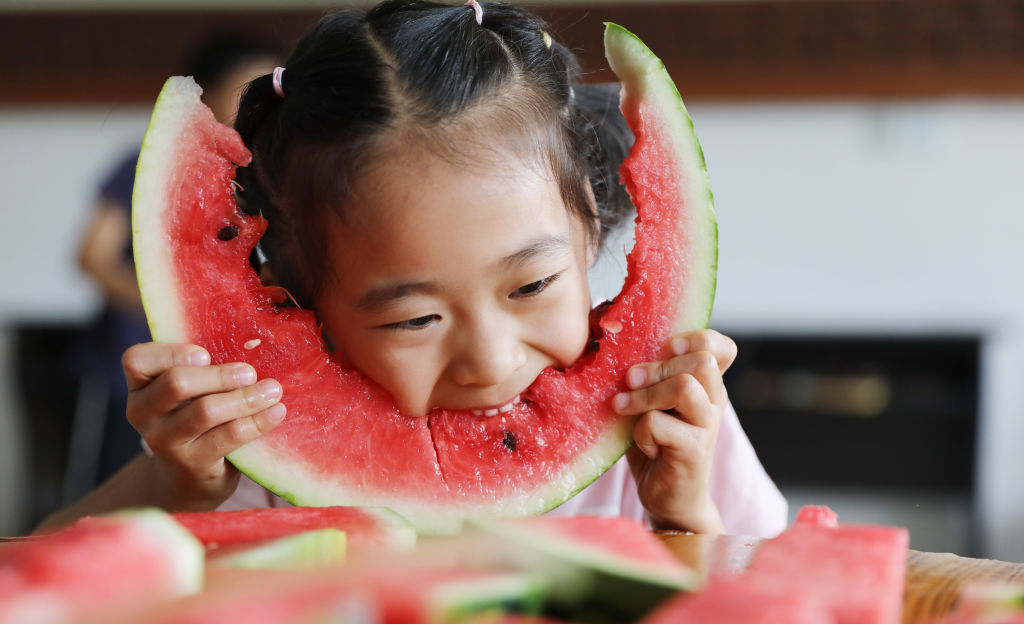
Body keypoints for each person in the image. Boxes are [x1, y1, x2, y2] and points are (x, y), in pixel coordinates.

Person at [38, 0, 787, 537]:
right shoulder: (251, 449)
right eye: (413, 318)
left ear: (590, 225)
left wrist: (684, 517)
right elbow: (43, 570)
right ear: (298, 305)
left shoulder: (678, 422)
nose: (489, 359)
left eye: (531, 285)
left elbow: (774, 614)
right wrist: (173, 486)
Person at [67, 35, 279, 494]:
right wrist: (169, 304)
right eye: (250, 89)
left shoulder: (255, 174)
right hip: (128, 356)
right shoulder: (142, 164)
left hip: (209, 364)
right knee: (119, 480)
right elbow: (91, 256)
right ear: (204, 94)